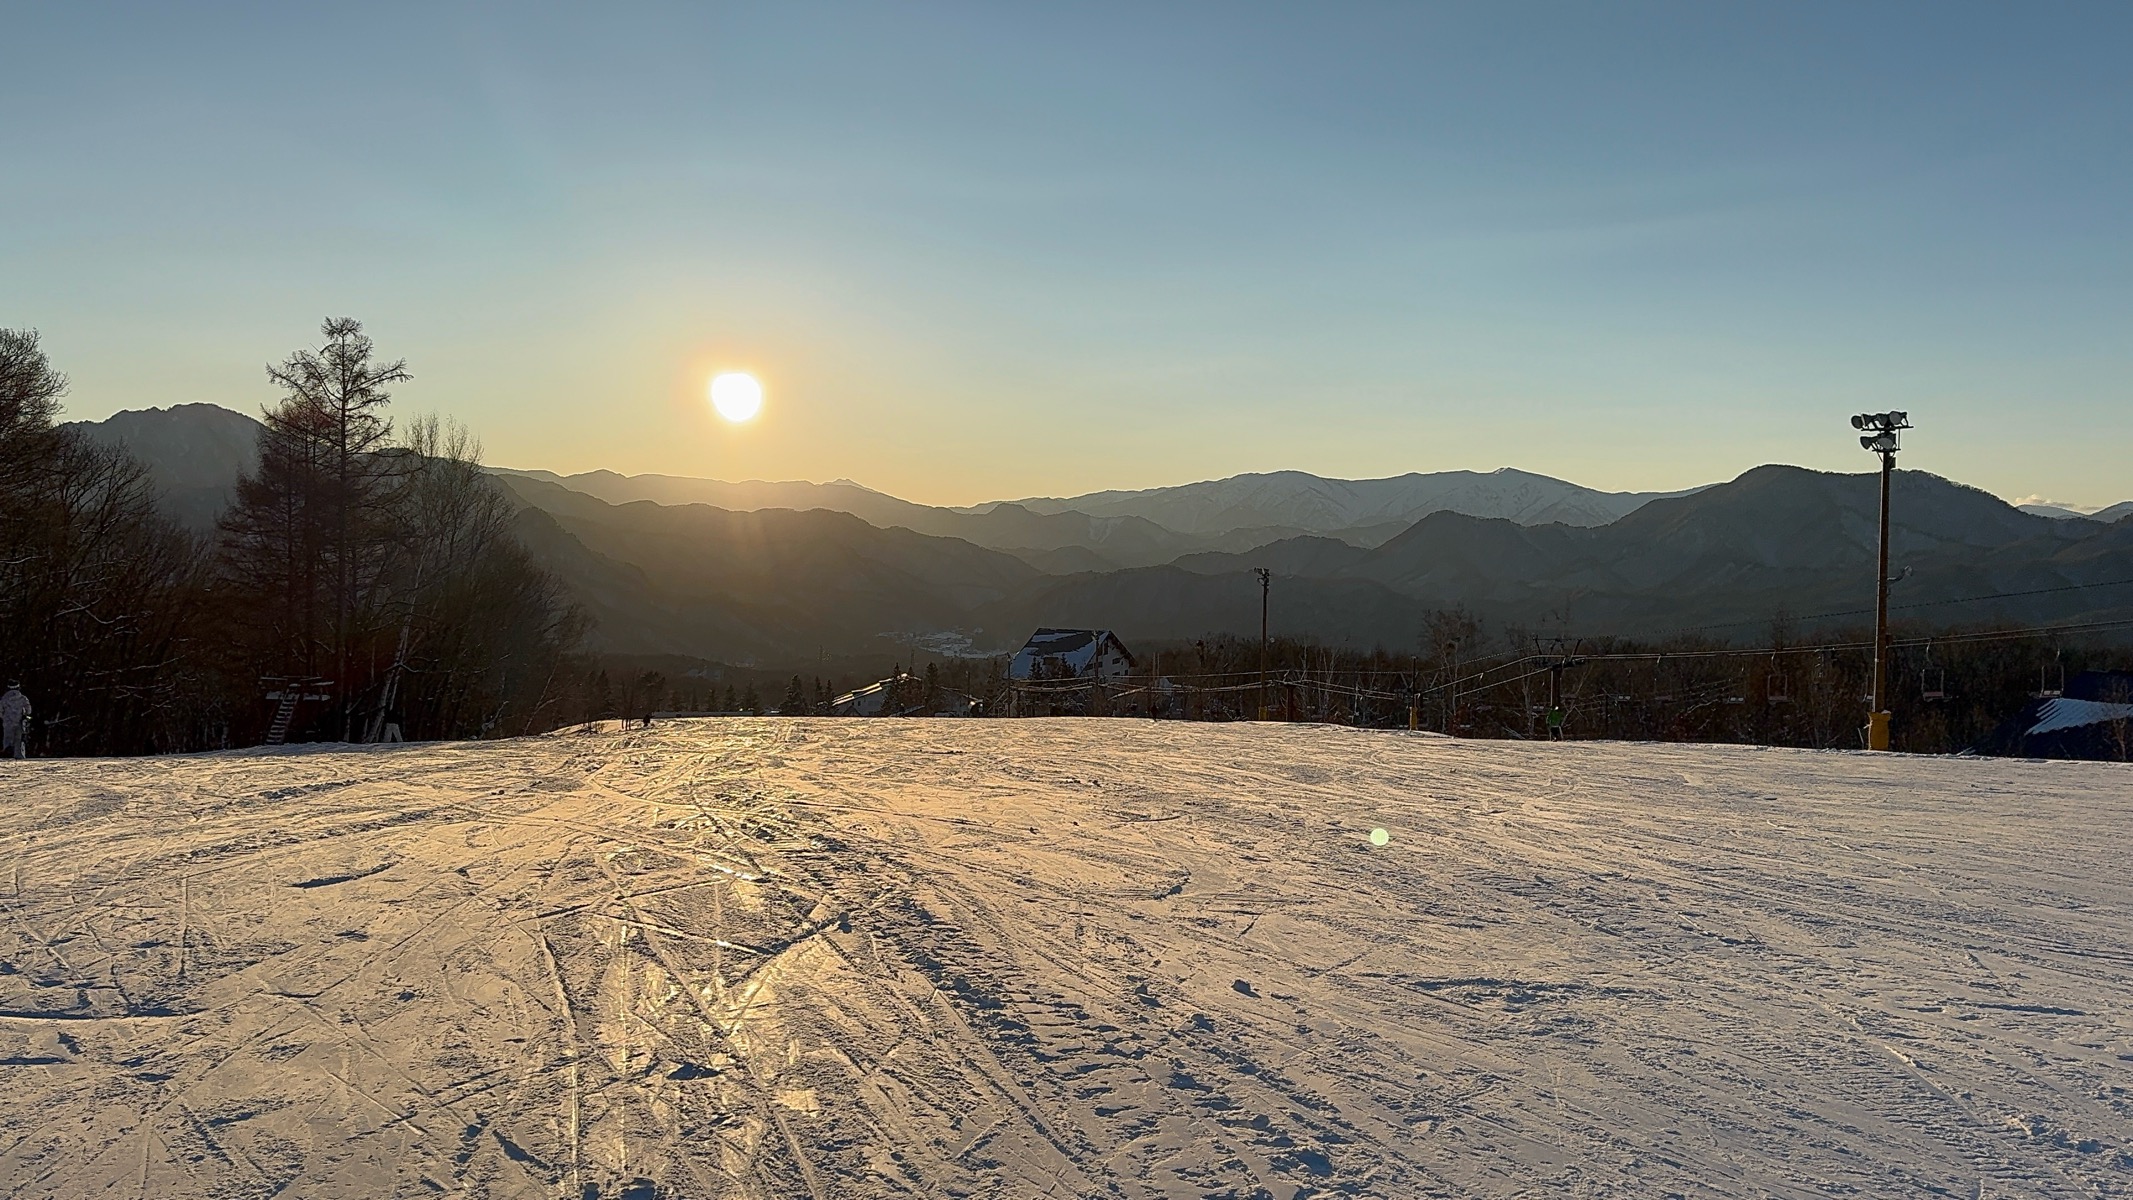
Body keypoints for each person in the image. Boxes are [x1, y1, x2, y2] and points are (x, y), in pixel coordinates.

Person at [0, 682, 30, 759]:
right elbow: (28, 710)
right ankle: (18, 755)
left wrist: (4, 717)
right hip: (19, 722)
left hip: (7, 722)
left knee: (7, 738)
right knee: (18, 739)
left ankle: (7, 753)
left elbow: (0, 710)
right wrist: (25, 715)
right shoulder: (23, 698)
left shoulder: (4, 699)